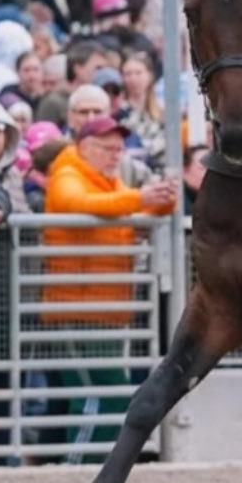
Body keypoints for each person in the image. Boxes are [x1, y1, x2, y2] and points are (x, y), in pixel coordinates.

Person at [40, 116, 177, 461]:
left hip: (105, 312)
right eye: (107, 148)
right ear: (84, 147)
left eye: (119, 148)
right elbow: (77, 204)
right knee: (93, 394)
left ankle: (92, 462)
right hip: (72, 310)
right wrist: (141, 197)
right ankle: (78, 465)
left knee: (109, 393)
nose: (116, 154)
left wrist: (163, 198)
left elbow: (140, 207)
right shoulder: (68, 173)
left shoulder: (110, 182)